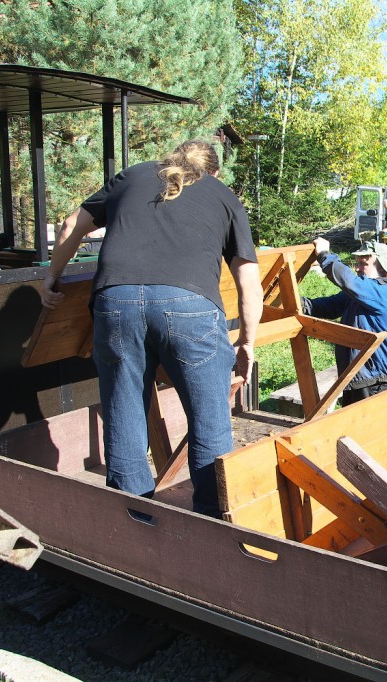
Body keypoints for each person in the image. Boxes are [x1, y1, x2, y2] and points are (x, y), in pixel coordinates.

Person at [38, 140, 261, 518]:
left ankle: (134, 521)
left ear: (169, 160)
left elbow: (71, 225)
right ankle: (211, 524)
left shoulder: (133, 176)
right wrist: (247, 342)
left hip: (116, 302)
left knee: (124, 412)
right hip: (190, 306)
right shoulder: (222, 195)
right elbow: (248, 278)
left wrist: (52, 276)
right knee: (209, 419)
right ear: (214, 172)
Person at [302, 237, 387, 405]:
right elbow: (326, 306)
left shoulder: (386, 291)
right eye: (356, 262)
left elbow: (348, 281)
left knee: (370, 431)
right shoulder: (363, 294)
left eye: (363, 264)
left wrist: (324, 255)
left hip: (380, 380)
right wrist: (297, 303)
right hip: (360, 378)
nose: (357, 268)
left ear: (383, 267)